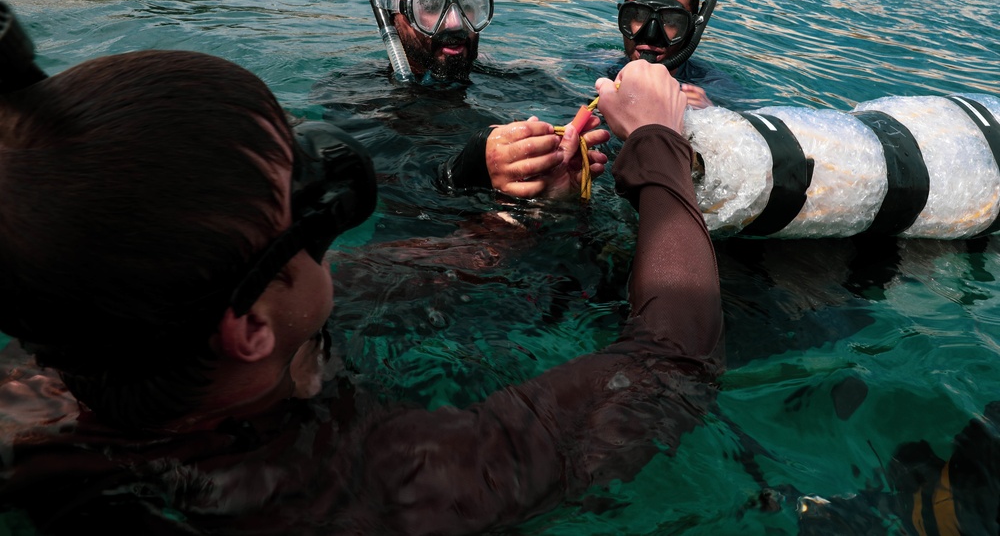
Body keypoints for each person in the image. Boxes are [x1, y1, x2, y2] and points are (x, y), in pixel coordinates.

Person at [0, 44, 721, 533]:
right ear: (249, 328)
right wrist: (660, 145)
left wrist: (516, 219)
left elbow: (364, 281)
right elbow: (670, 363)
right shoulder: (376, 489)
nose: (330, 193)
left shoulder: (47, 387)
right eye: (305, 201)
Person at [365, 0, 610, 199]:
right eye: (431, 6)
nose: (455, 24)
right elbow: (378, 185)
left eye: (469, 3)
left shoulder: (522, 81)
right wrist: (458, 174)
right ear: (394, 19)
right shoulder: (358, 99)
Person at [612, 0, 747, 110]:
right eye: (639, 15)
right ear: (624, 19)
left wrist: (710, 116)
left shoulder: (716, 86)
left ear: (691, 30)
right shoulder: (597, 65)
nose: (651, 35)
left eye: (671, 21)